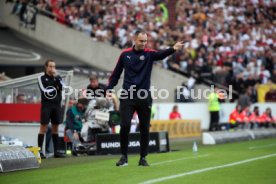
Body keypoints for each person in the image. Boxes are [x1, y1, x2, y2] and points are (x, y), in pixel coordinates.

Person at [106, 29, 184, 166]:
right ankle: (124, 157)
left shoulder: (149, 54)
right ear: (134, 39)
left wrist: (173, 49)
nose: (144, 43)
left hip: (144, 96)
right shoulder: (125, 55)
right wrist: (109, 89)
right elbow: (116, 74)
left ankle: (143, 158)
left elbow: (161, 54)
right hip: (127, 95)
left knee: (144, 127)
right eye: (141, 41)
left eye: (146, 41)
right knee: (124, 125)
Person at [37, 59, 65, 158]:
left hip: (57, 105)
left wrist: (56, 78)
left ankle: (56, 151)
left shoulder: (58, 77)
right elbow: (45, 90)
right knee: (43, 127)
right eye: (50, 66)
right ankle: (39, 152)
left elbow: (62, 88)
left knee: (55, 128)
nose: (52, 68)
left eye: (54, 66)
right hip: (47, 105)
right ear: (46, 67)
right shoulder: (41, 77)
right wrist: (54, 88)